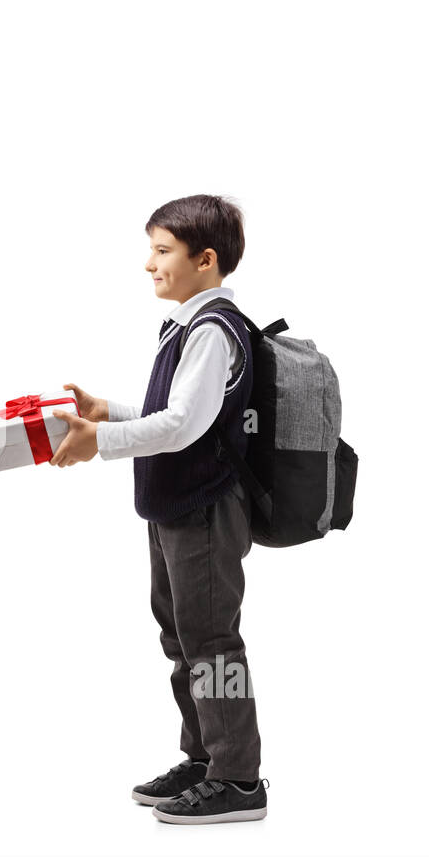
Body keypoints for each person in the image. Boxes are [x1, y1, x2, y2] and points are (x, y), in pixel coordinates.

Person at [48, 194, 268, 824]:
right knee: (183, 637)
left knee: (212, 642)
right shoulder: (189, 325)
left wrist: (102, 443)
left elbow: (184, 427)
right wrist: (106, 413)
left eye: (162, 250)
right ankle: (204, 758)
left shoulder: (213, 330)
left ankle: (238, 778)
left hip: (203, 508)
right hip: (176, 506)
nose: (149, 263)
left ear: (206, 260)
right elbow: (173, 415)